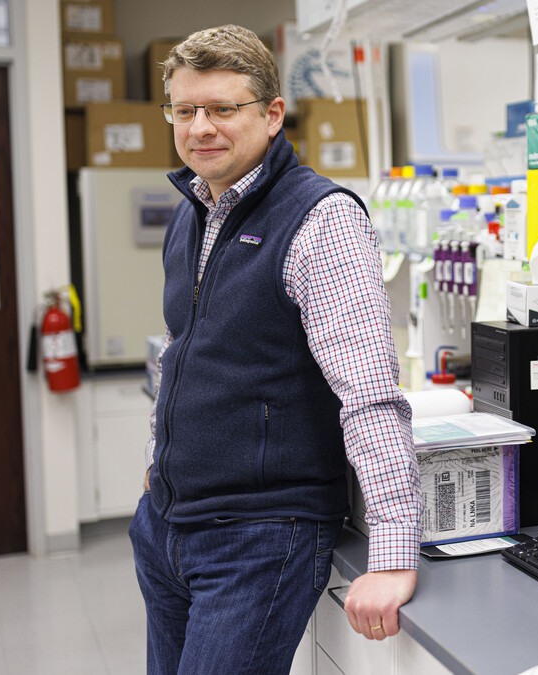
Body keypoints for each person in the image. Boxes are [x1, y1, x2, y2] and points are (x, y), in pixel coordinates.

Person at [128, 24, 422, 674]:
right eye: (185, 110)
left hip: (259, 538)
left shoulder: (321, 219)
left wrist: (396, 552)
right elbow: (185, 350)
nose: (200, 126)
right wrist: (159, 462)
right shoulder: (191, 209)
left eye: (222, 109)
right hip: (169, 526)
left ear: (271, 114)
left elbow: (369, 389)